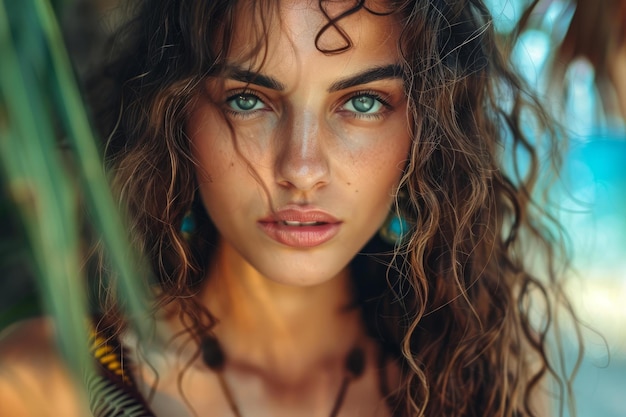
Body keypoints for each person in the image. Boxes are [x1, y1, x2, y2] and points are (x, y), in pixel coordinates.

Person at [0, 0, 580, 416]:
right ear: (176, 117)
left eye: (363, 102)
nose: (302, 168)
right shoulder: (47, 383)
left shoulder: (481, 386)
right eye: (248, 100)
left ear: (426, 133)